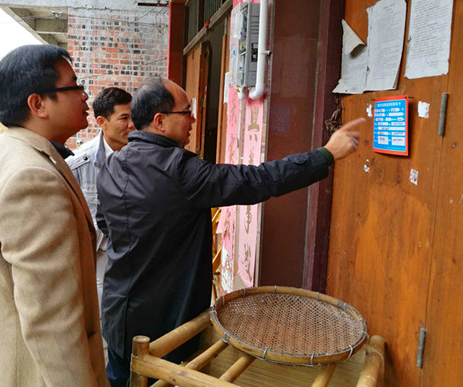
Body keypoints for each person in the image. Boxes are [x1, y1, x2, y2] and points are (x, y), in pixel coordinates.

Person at [97, 76, 366, 386]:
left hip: (117, 313)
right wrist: (325, 155)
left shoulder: (111, 166)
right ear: (160, 121)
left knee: (118, 378)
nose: (193, 120)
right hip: (164, 323)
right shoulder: (180, 170)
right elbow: (257, 180)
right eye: (186, 113)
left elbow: (106, 224)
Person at [0, 45, 109, 386]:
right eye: (74, 86)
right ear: (38, 104)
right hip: (33, 372)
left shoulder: (9, 149)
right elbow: (51, 322)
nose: (85, 95)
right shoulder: (33, 177)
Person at [66, 87, 134, 308]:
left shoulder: (144, 157)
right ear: (101, 122)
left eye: (133, 117)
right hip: (96, 258)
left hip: (135, 257)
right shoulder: (79, 164)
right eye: (124, 118)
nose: (132, 125)